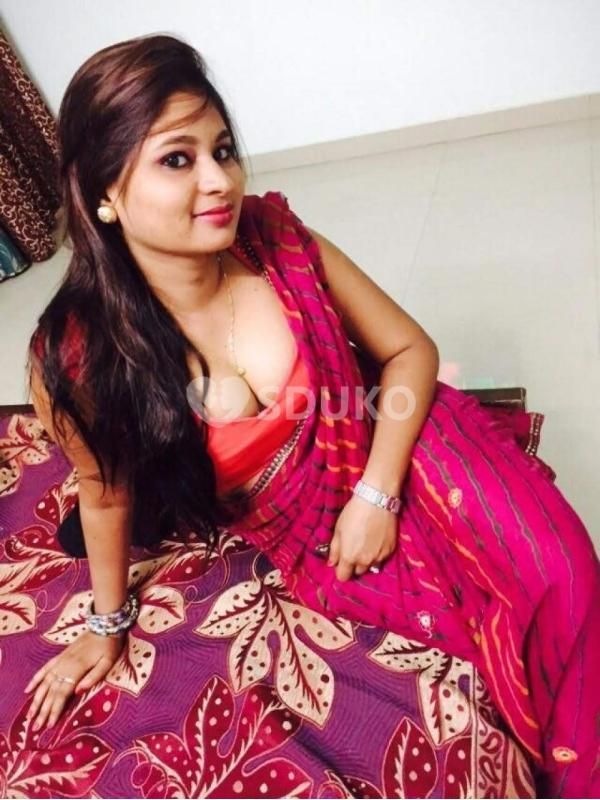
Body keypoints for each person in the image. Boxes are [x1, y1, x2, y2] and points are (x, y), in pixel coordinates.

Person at [25, 33, 599, 798]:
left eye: (222, 151)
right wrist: (105, 624)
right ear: (104, 194)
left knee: (560, 570)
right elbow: (104, 498)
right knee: (467, 634)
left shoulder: (276, 241)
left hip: (397, 441)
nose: (219, 181)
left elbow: (410, 352)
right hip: (307, 536)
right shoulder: (78, 358)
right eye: (177, 159)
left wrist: (376, 495)